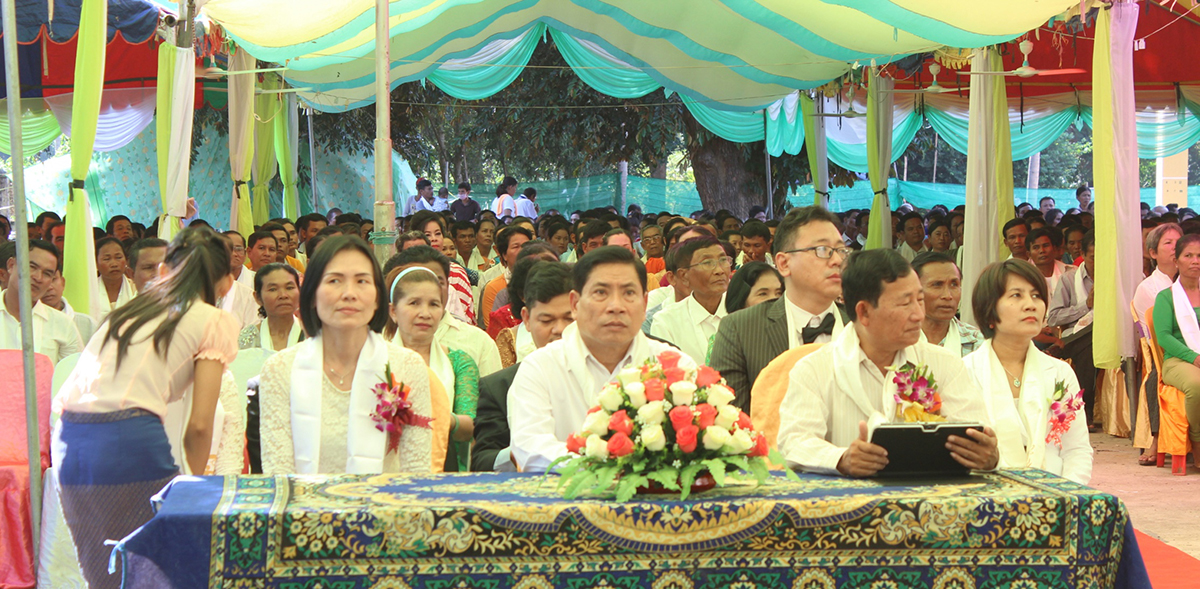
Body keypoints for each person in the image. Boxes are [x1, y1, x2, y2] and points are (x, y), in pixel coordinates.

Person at [54, 227, 239, 588]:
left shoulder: (126, 313)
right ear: (227, 284)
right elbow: (200, 425)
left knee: (105, 572)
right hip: (128, 439)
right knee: (166, 567)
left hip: (69, 438)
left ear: (165, 271)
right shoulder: (213, 320)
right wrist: (191, 489)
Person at [776, 249, 997, 477]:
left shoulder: (944, 364)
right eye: (905, 304)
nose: (918, 315)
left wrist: (986, 454)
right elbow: (794, 441)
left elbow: (976, 432)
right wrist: (841, 459)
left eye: (920, 300)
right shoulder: (814, 369)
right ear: (864, 312)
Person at [508, 246, 696, 473]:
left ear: (645, 304)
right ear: (575, 304)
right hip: (569, 493)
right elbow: (530, 446)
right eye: (600, 292)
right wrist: (612, 469)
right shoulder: (540, 367)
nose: (616, 306)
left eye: (629, 293)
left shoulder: (676, 365)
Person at [258, 235, 433, 475]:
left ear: (377, 298)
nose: (349, 293)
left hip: (386, 498)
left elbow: (417, 471)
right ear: (312, 295)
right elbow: (278, 473)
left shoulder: (407, 366)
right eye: (334, 281)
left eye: (362, 281)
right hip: (303, 499)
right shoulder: (280, 369)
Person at [964, 260, 1093, 484]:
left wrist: (1068, 495)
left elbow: (1077, 449)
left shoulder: (1060, 373)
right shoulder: (965, 373)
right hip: (988, 495)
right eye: (1016, 295)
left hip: (1054, 493)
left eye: (1036, 295)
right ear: (989, 310)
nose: (1031, 305)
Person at [710, 207, 848, 412]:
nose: (837, 260)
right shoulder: (740, 328)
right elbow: (730, 417)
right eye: (822, 250)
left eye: (841, 250)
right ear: (783, 263)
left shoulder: (865, 325)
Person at [473, 262, 574, 471]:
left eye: (569, 319)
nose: (559, 329)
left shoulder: (613, 376)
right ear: (527, 319)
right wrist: (523, 451)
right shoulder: (498, 387)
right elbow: (482, 461)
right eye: (546, 320)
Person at [383, 264, 478, 472]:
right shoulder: (376, 362)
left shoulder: (458, 362)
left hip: (445, 468)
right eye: (414, 303)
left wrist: (436, 416)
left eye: (434, 304)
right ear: (393, 311)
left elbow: (471, 425)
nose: (425, 313)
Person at [385, 245, 503, 380]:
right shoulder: (377, 347)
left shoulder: (478, 342)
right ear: (393, 310)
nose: (427, 288)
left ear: (448, 285)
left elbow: (490, 392)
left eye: (437, 281)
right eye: (414, 302)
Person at [1152, 233, 1200, 469]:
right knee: (1197, 384)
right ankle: (1197, 442)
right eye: (1188, 255)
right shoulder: (1166, 297)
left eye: (1199, 256)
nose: (1195, 261)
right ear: (1177, 260)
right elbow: (1164, 337)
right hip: (1178, 360)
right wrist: (1194, 358)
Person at [650, 236, 731, 363]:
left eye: (723, 260)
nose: (719, 270)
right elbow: (667, 370)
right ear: (684, 276)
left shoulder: (745, 311)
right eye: (707, 263)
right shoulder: (666, 322)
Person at [0, 240, 83, 364]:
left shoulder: (63, 324)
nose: (38, 278)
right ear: (11, 265)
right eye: (32, 267)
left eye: (47, 274)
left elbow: (71, 373)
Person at [1047, 231, 1097, 426]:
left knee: (1092, 341)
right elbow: (1053, 317)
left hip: (1103, 336)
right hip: (1076, 334)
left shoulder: (1114, 278)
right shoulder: (1069, 279)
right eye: (1093, 258)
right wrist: (1086, 306)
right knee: (1089, 347)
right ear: (1082, 255)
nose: (1098, 263)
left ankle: (1085, 409)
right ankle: (1086, 408)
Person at [410, 210, 476, 325]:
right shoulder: (408, 272)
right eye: (427, 235)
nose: (434, 239)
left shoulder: (456, 273)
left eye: (438, 233)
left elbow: (464, 321)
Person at [911, 252, 982, 357]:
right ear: (913, 290)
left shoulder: (978, 343)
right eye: (937, 285)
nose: (948, 296)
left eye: (954, 285)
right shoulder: (895, 342)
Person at [238, 263, 304, 351]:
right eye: (273, 289)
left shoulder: (313, 335)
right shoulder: (247, 339)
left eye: (289, 288)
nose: (283, 295)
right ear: (258, 297)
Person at [478, 225, 532, 330]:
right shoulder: (494, 287)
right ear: (504, 255)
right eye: (516, 247)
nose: (523, 251)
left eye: (526, 246)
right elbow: (493, 330)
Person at [42, 271, 97, 344]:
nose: (49, 287)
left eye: (53, 279)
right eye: (42, 282)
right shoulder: (28, 326)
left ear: (63, 283)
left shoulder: (88, 325)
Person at [94, 237, 137, 323]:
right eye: (107, 259)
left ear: (126, 260)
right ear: (96, 263)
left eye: (118, 257)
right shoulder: (89, 291)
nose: (114, 264)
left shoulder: (136, 288)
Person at [1025, 227, 1069, 299]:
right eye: (1036, 247)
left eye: (1045, 245)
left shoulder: (1071, 272)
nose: (1042, 251)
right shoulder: (1023, 276)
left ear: (1054, 249)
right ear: (1029, 254)